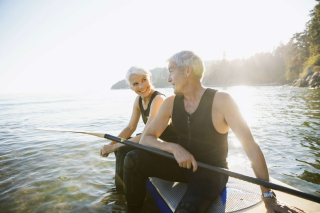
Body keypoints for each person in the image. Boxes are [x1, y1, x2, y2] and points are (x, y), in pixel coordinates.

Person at [122, 51, 304, 213]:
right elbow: (147, 138)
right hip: (180, 165)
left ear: (187, 71)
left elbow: (251, 147)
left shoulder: (223, 101)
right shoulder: (170, 102)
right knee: (133, 158)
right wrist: (174, 148)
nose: (168, 79)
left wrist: (268, 197)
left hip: (210, 172)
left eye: (171, 71)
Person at [99, 66, 177, 191]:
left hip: (166, 146)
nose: (141, 86)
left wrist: (114, 147)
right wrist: (110, 144)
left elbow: (147, 135)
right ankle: (121, 188)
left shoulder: (158, 99)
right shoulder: (138, 100)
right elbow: (130, 127)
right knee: (120, 148)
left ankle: (123, 190)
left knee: (122, 149)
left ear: (150, 79)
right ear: (131, 87)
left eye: (144, 80)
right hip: (152, 142)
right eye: (135, 84)